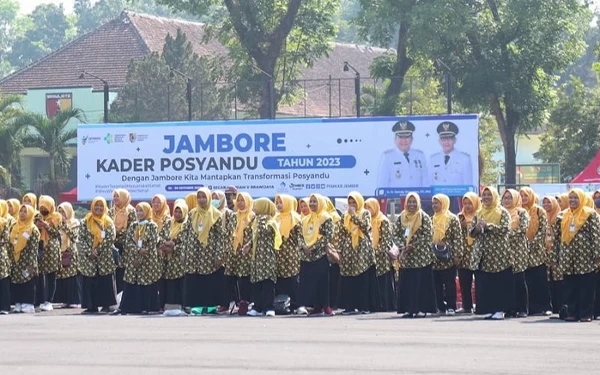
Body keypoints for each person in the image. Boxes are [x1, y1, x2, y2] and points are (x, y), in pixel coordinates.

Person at [554, 188, 600, 322]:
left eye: (576, 198)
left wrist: (597, 254)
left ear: (582, 199)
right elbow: (557, 238)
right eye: (571, 198)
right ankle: (572, 313)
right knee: (569, 287)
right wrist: (555, 257)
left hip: (585, 257)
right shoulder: (562, 215)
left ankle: (586, 314)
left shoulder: (590, 214)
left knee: (586, 287)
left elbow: (596, 236)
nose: (572, 200)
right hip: (567, 257)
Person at [470, 187, 512, 320]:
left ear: (494, 196)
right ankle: (487, 308)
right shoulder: (479, 213)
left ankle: (499, 310)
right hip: (482, 254)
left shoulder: (502, 212)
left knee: (499, 282)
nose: (486, 197)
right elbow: (471, 232)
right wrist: (477, 228)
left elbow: (505, 229)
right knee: (485, 282)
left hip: (498, 254)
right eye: (484, 195)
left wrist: (488, 226)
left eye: (489, 195)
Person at [182, 187, 224, 313]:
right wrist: (184, 252)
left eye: (203, 197)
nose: (201, 200)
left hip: (209, 253)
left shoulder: (216, 214)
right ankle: (193, 306)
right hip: (193, 252)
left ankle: (210, 306)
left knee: (209, 280)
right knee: (193, 279)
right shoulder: (192, 213)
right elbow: (185, 233)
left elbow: (220, 236)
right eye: (199, 197)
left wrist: (218, 255)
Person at [394, 192, 436, 318]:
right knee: (408, 284)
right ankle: (408, 309)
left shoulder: (423, 217)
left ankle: (422, 309)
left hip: (421, 257)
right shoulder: (401, 217)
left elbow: (428, 235)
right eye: (409, 202)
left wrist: (414, 245)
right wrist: (403, 246)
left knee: (421, 284)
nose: (411, 205)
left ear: (418, 203)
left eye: (414, 202)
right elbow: (395, 234)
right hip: (406, 258)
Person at [338, 191, 377, 314]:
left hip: (362, 249)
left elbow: (365, 226)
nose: (352, 205)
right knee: (349, 279)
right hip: (349, 250)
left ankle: (364, 306)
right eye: (350, 203)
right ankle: (350, 306)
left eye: (354, 202)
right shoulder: (345, 216)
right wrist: (339, 250)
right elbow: (341, 233)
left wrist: (354, 215)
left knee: (362, 279)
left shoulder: (365, 213)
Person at [118, 202, 160, 315]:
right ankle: (129, 307)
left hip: (148, 260)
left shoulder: (152, 226)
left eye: (141, 211)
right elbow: (128, 242)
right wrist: (137, 251)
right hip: (133, 260)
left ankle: (147, 307)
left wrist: (141, 255)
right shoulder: (133, 226)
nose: (139, 213)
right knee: (132, 282)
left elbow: (153, 242)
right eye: (137, 211)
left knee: (146, 283)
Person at [297, 194, 335, 316]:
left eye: (315, 202)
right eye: (311, 202)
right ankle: (316, 306)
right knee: (310, 282)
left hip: (320, 255)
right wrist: (303, 246)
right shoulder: (305, 219)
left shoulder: (326, 218)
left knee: (322, 282)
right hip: (306, 256)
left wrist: (313, 247)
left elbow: (328, 235)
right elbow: (299, 235)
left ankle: (326, 306)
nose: (312, 204)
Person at [79, 197, 117, 314]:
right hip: (89, 258)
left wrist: (98, 250)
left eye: (101, 206)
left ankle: (107, 305)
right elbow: (81, 238)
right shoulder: (86, 221)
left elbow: (110, 237)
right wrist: (89, 251)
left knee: (105, 281)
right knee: (90, 281)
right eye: (96, 205)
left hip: (104, 257)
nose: (99, 208)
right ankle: (91, 306)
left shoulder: (108, 222)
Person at [247, 198, 281, 317]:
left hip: (267, 257)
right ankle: (257, 307)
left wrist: (261, 220)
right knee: (257, 283)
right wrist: (248, 245)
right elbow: (255, 237)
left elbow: (264, 232)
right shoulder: (256, 221)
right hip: (257, 258)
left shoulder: (271, 222)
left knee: (267, 283)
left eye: (256, 206)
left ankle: (269, 307)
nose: (254, 208)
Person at [520, 187, 552, 316]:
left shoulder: (539, 211)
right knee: (528, 280)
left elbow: (543, 229)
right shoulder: (519, 211)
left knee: (540, 279)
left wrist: (532, 243)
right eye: (521, 195)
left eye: (526, 195)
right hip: (522, 251)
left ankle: (545, 306)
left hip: (537, 250)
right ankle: (532, 307)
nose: (523, 198)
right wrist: (524, 244)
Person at [431, 193, 464, 315]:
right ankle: (440, 307)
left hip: (448, 257)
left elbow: (457, 238)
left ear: (444, 203)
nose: (434, 205)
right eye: (433, 203)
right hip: (435, 257)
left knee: (449, 283)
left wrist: (457, 255)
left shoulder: (452, 218)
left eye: (437, 203)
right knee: (436, 284)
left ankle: (451, 306)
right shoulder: (432, 218)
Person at [502, 189, 530, 318]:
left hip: (518, 250)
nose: (507, 200)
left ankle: (522, 308)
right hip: (504, 250)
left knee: (519, 279)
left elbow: (523, 228)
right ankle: (510, 309)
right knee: (507, 280)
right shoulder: (500, 212)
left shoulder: (521, 212)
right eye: (505, 198)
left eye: (509, 198)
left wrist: (505, 236)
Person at [274, 194, 304, 313]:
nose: (279, 205)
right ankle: (281, 304)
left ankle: (297, 305)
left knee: (293, 280)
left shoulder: (296, 218)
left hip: (291, 253)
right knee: (280, 279)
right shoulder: (275, 218)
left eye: (281, 202)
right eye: (277, 203)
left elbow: (300, 237)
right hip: (279, 253)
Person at [377, 120, 430, 188]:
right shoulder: (387, 157)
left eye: (407, 137)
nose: (404, 140)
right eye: (401, 137)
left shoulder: (420, 155)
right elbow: (382, 185)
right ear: (395, 139)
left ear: (412, 139)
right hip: (395, 198)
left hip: (416, 198)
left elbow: (426, 182)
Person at [365, 198, 396, 312]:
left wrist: (376, 252)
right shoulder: (367, 221)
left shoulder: (383, 220)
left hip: (382, 258)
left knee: (383, 282)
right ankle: (375, 305)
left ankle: (386, 305)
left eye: (369, 207)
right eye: (366, 208)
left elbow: (386, 241)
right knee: (373, 283)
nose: (367, 210)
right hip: (369, 258)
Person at [158, 199, 188, 316]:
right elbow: (161, 236)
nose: (177, 215)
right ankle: (166, 305)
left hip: (179, 261)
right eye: (176, 212)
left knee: (178, 283)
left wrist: (174, 247)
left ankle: (180, 305)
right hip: (167, 260)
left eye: (180, 212)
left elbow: (187, 241)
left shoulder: (186, 225)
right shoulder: (169, 222)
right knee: (166, 283)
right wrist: (165, 244)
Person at [10, 204, 40, 313]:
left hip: (27, 261)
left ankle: (28, 303)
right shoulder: (15, 227)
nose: (22, 213)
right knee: (16, 283)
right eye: (21, 211)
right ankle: (18, 303)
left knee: (27, 283)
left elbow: (33, 248)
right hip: (16, 260)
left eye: (25, 211)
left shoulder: (33, 229)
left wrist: (31, 264)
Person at [35, 195, 63, 311]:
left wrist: (46, 226)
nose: (43, 209)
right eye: (41, 207)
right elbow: (33, 231)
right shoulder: (37, 216)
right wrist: (37, 226)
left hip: (52, 250)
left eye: (45, 207)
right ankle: (41, 300)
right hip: (41, 248)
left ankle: (49, 301)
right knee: (41, 276)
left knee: (51, 276)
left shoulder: (56, 217)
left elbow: (57, 234)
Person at [212, 190, 236, 314]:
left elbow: (231, 233)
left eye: (217, 198)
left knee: (226, 279)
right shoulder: (210, 214)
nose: (214, 200)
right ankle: (217, 303)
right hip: (212, 251)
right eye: (212, 198)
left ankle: (226, 303)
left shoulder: (229, 214)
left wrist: (225, 252)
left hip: (225, 250)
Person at [429, 121, 473, 186]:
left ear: (455, 140)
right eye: (443, 139)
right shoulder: (433, 159)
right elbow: (430, 183)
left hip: (458, 196)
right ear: (439, 141)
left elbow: (468, 184)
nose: (446, 142)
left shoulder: (465, 159)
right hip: (437, 196)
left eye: (449, 138)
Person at [54, 202, 81, 308]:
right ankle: (66, 300)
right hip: (60, 252)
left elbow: (74, 236)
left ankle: (75, 300)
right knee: (63, 278)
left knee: (72, 277)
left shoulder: (74, 223)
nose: (61, 214)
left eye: (63, 212)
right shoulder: (57, 223)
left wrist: (65, 224)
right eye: (59, 212)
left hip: (70, 253)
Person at [456, 192, 480, 314]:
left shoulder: (479, 215)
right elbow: (456, 235)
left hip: (477, 252)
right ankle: (467, 306)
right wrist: (462, 227)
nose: (467, 205)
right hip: (464, 252)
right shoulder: (460, 216)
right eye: (465, 203)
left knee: (480, 281)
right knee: (465, 281)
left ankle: (480, 305)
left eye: (470, 203)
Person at [109, 189, 136, 294]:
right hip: (113, 245)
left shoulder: (131, 211)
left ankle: (124, 296)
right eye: (114, 196)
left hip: (126, 247)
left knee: (124, 271)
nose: (115, 198)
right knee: (114, 271)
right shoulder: (111, 211)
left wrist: (119, 232)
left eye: (118, 196)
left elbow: (132, 229)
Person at [232, 192, 254, 314]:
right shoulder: (234, 216)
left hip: (248, 252)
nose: (240, 203)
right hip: (237, 251)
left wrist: (248, 245)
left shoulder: (252, 216)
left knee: (248, 277)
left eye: (242, 200)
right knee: (240, 278)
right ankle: (241, 302)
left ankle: (250, 302)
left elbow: (255, 234)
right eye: (238, 200)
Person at [543, 195, 564, 315]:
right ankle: (551, 306)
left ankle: (560, 306)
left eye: (549, 202)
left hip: (557, 252)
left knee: (559, 280)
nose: (546, 205)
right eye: (544, 202)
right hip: (545, 252)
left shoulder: (560, 217)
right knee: (549, 280)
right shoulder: (544, 216)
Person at [0, 200, 11, 314]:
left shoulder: (4, 222)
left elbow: (5, 239)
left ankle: (4, 307)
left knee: (3, 280)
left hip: (1, 255)